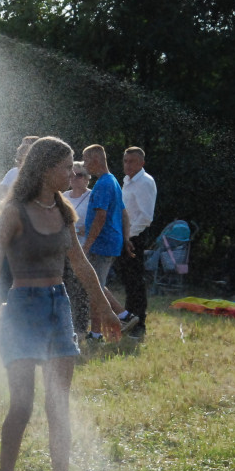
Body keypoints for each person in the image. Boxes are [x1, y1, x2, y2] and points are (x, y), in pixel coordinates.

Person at [0, 137, 120, 471]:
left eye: (75, 166)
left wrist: (103, 307)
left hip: (58, 309)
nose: (74, 172)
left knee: (58, 406)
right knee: (21, 406)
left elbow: (82, 265)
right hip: (21, 310)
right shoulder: (14, 213)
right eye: (66, 166)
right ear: (43, 170)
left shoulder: (64, 212)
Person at [80, 144, 128, 342]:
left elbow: (100, 216)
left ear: (96, 159)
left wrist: (87, 244)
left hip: (102, 244)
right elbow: (124, 213)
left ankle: (97, 334)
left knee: (95, 290)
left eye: (85, 159)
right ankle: (125, 316)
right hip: (110, 242)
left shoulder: (103, 184)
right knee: (97, 286)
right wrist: (126, 237)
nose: (83, 165)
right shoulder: (113, 181)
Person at [116, 147, 156, 338]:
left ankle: (139, 323)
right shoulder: (128, 181)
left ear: (142, 163)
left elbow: (145, 217)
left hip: (135, 237)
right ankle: (129, 318)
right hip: (126, 236)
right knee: (128, 280)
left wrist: (129, 236)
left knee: (135, 281)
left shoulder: (144, 182)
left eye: (132, 161)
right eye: (125, 161)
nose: (127, 165)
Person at [62, 161, 92, 336]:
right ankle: (66, 326)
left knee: (81, 289)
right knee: (65, 287)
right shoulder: (63, 196)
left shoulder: (92, 196)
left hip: (84, 249)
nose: (75, 178)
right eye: (72, 174)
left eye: (79, 175)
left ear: (87, 179)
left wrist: (84, 228)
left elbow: (99, 220)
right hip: (65, 249)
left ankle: (81, 328)